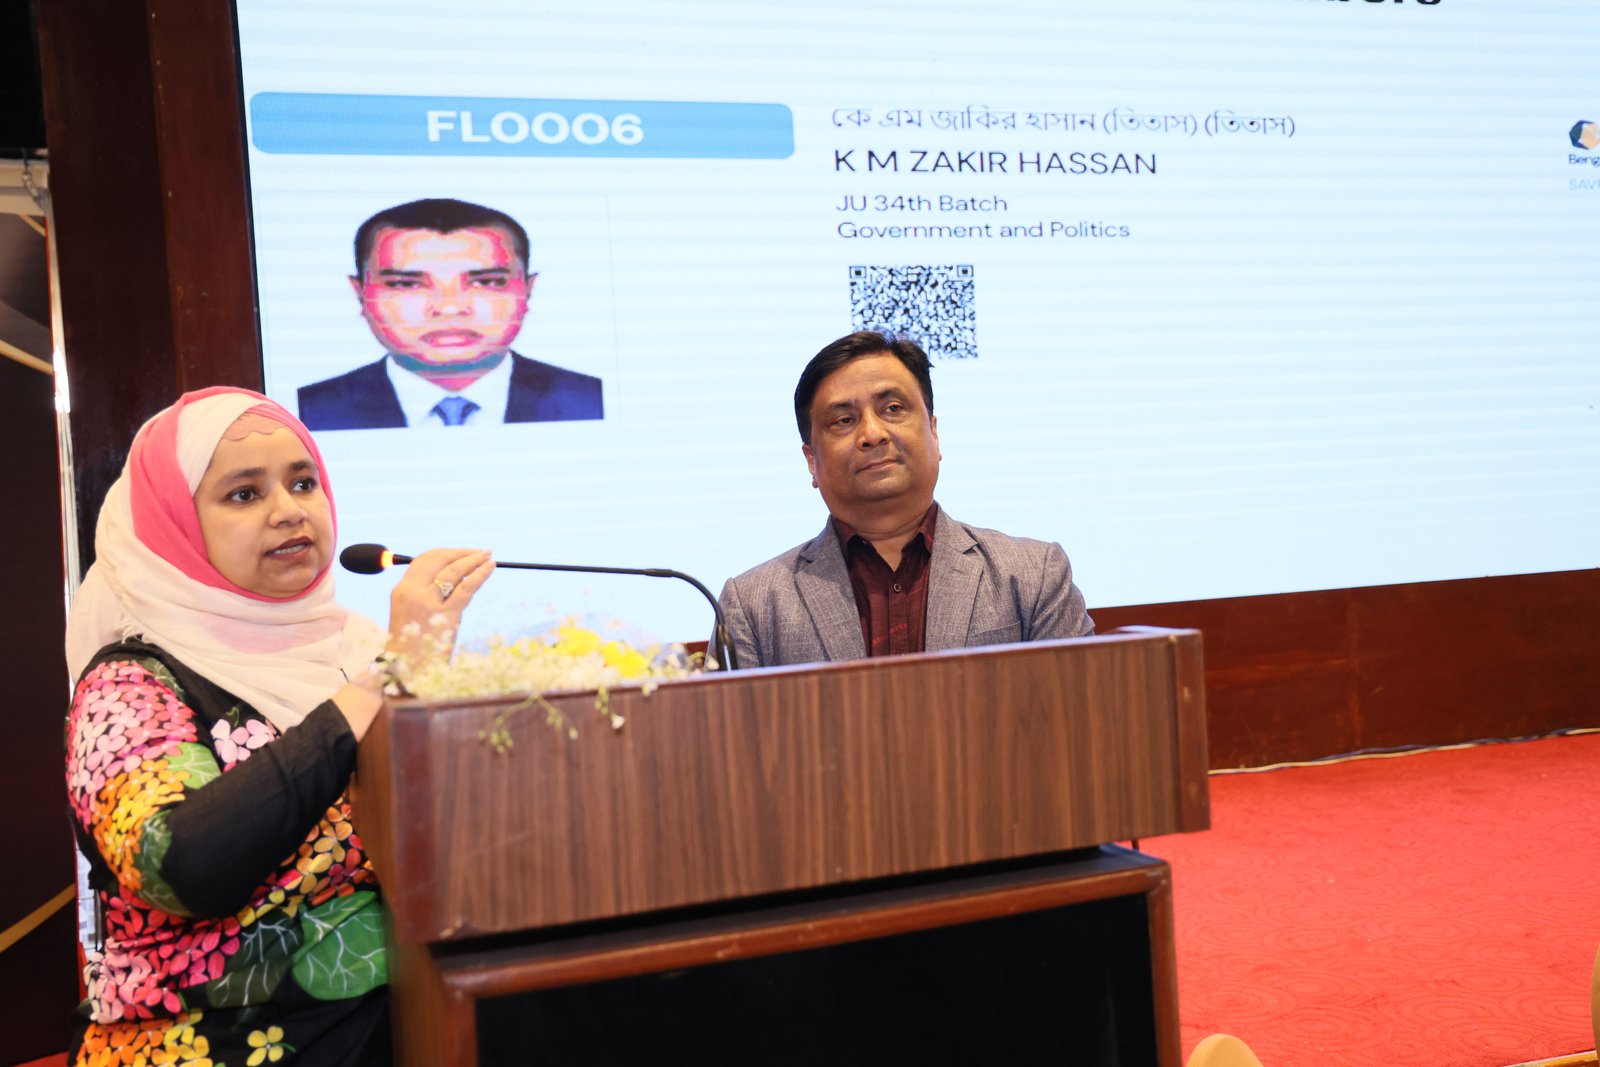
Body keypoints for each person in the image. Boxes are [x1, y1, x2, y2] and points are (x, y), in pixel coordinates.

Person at [63, 386, 495, 1065]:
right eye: (244, 494)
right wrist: (383, 680)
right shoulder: (128, 685)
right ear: (172, 525)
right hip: (212, 1045)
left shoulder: (359, 646)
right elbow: (180, 865)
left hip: (406, 1025)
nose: (290, 510)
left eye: (303, 482)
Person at [717, 330, 1092, 668]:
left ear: (934, 432)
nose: (873, 434)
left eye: (893, 409)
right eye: (844, 420)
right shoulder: (752, 608)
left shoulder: (1033, 576)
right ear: (812, 460)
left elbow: (1081, 711)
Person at [297, 198, 604, 430]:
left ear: (528, 289)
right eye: (407, 284)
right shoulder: (306, 413)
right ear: (360, 293)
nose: (449, 308)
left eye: (486, 282)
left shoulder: (593, 401)